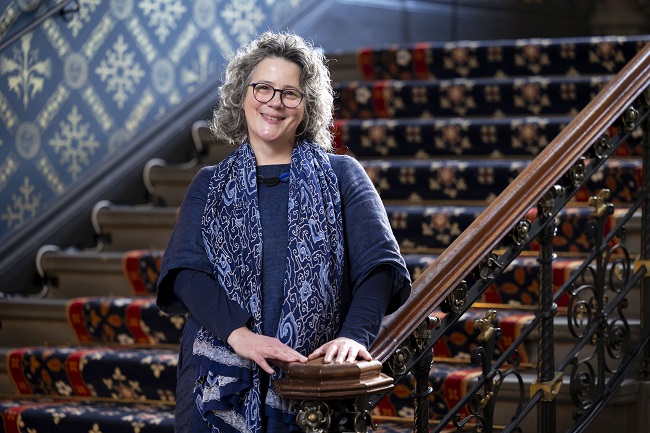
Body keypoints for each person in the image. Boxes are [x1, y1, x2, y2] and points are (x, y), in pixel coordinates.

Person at [156, 31, 411, 433]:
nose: (274, 102)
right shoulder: (209, 183)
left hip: (313, 381)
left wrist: (355, 334)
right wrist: (240, 336)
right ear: (242, 96)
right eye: (263, 88)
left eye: (290, 93)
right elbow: (187, 272)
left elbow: (379, 268)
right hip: (217, 386)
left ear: (307, 108)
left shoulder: (343, 175)